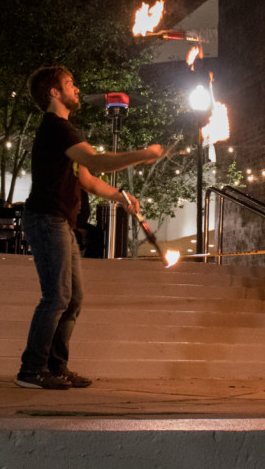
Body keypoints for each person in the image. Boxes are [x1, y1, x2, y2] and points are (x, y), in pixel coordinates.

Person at [15, 65, 163, 390]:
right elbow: (96, 162)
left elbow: (87, 179)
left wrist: (121, 197)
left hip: (60, 221)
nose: (77, 88)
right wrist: (143, 155)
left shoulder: (65, 131)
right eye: (70, 84)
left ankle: (55, 368)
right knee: (56, 296)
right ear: (54, 93)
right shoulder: (56, 127)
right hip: (46, 218)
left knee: (73, 298)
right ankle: (31, 370)